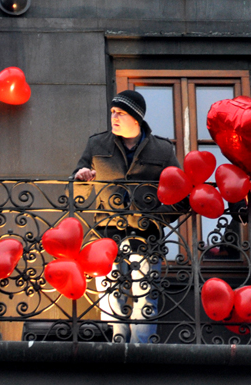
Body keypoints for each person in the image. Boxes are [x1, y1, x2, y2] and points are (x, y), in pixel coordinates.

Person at [72, 90, 180, 343]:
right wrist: (81, 176)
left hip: (146, 233)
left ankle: (142, 352)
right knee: (109, 294)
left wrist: (156, 218)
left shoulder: (163, 149)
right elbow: (76, 181)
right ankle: (117, 346)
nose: (114, 118)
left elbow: (180, 193)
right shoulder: (96, 144)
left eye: (120, 113)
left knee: (145, 296)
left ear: (136, 118)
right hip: (106, 232)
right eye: (112, 112)